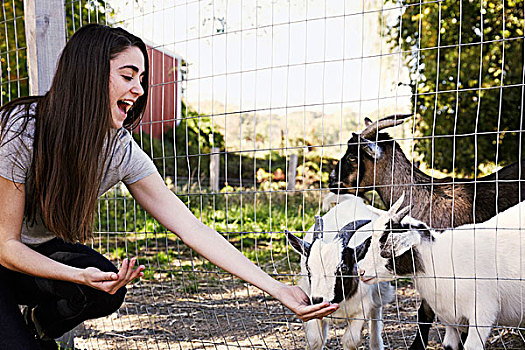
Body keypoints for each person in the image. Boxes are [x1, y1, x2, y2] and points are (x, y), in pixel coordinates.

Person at [0, 24, 337, 349]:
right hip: (6, 252)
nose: (139, 90)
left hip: (31, 258)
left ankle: (35, 325)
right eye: (128, 76)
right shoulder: (24, 131)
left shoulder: (119, 150)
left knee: (106, 285)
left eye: (142, 80)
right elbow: (6, 245)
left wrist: (276, 287)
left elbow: (192, 227)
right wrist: (76, 275)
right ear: (88, 74)